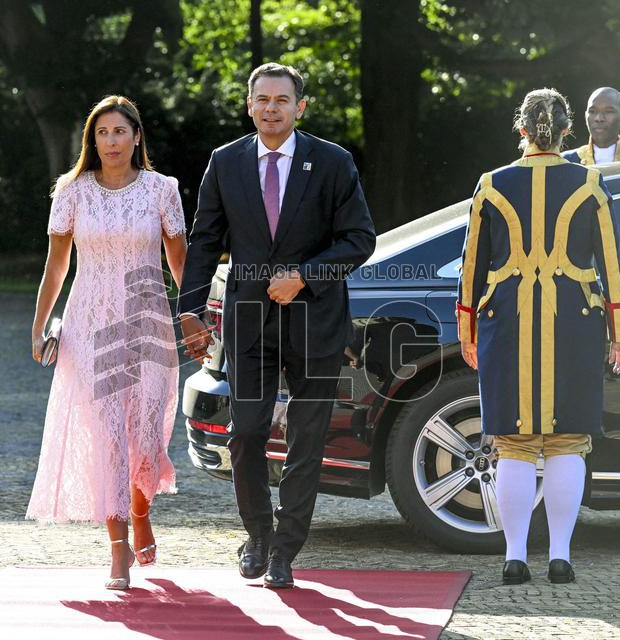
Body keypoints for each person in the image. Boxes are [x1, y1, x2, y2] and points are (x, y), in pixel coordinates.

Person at [177, 63, 376, 589]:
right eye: (262, 99)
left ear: (299, 107)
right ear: (249, 105)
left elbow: (359, 239)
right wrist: (190, 310)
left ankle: (287, 549)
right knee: (245, 433)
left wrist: (305, 278)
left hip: (316, 321)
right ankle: (258, 535)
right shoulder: (226, 162)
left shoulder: (332, 162)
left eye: (282, 100)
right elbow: (204, 241)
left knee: (307, 440)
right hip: (247, 321)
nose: (271, 108)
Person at [457, 88, 620, 585]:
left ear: (521, 130)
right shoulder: (591, 183)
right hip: (574, 322)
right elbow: (613, 265)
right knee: (567, 440)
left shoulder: (491, 185)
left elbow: (471, 267)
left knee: (512, 442)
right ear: (564, 132)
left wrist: (468, 327)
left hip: (505, 319)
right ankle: (560, 556)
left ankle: (514, 556)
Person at [26, 95, 187, 591]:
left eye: (120, 131)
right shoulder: (72, 192)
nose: (111, 141)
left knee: (144, 432)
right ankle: (117, 548)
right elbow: (58, 265)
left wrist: (197, 318)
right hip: (89, 324)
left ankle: (140, 512)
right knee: (108, 436)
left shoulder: (163, 190)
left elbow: (181, 264)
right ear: (91, 141)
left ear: (137, 137)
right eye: (102, 133)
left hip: (147, 322)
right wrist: (40, 323)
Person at [563, 86, 620, 165]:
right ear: (585, 117)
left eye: (608, 111)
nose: (599, 118)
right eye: (592, 111)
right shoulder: (566, 162)